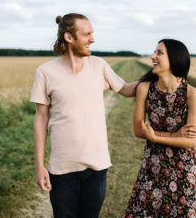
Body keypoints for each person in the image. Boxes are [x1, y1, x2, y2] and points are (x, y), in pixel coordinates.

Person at [30, 13, 137, 218]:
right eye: (87, 34)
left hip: (97, 167)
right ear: (69, 37)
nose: (93, 39)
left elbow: (126, 89)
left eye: (92, 34)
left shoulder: (98, 65)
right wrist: (39, 166)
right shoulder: (45, 72)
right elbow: (40, 119)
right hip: (62, 169)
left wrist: (159, 76)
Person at [123, 39, 196, 217]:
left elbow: (191, 141)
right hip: (154, 166)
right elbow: (138, 130)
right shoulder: (145, 88)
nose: (152, 57)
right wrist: (174, 135)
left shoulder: (192, 94)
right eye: (154, 52)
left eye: (159, 53)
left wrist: (155, 136)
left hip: (184, 169)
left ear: (174, 59)